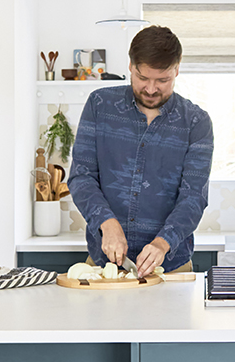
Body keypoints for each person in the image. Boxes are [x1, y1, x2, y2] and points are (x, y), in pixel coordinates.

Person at [68, 25, 213, 277]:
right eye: (143, 78)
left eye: (162, 80)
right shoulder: (100, 106)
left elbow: (193, 197)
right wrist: (107, 223)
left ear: (177, 69)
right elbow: (82, 176)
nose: (151, 89)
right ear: (130, 66)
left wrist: (163, 243)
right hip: (105, 267)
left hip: (171, 269)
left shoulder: (196, 122)